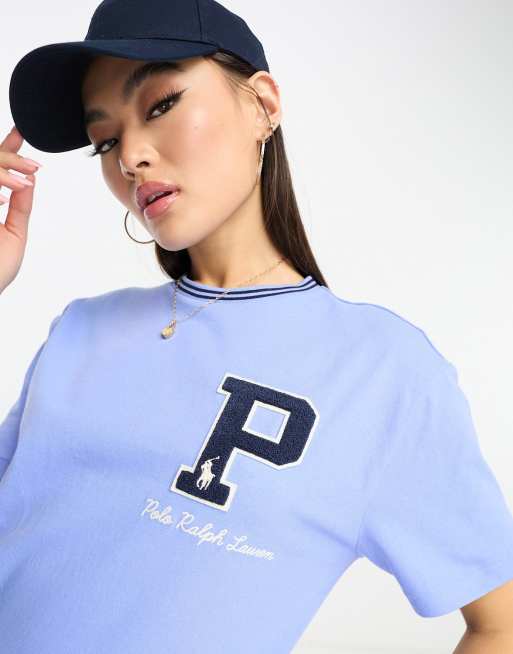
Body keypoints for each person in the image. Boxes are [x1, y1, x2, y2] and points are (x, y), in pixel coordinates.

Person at [1, 1, 513, 653]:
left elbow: (500, 621)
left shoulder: (380, 373)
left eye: (160, 105)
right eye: (104, 140)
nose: (129, 156)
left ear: (263, 105)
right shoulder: (81, 329)